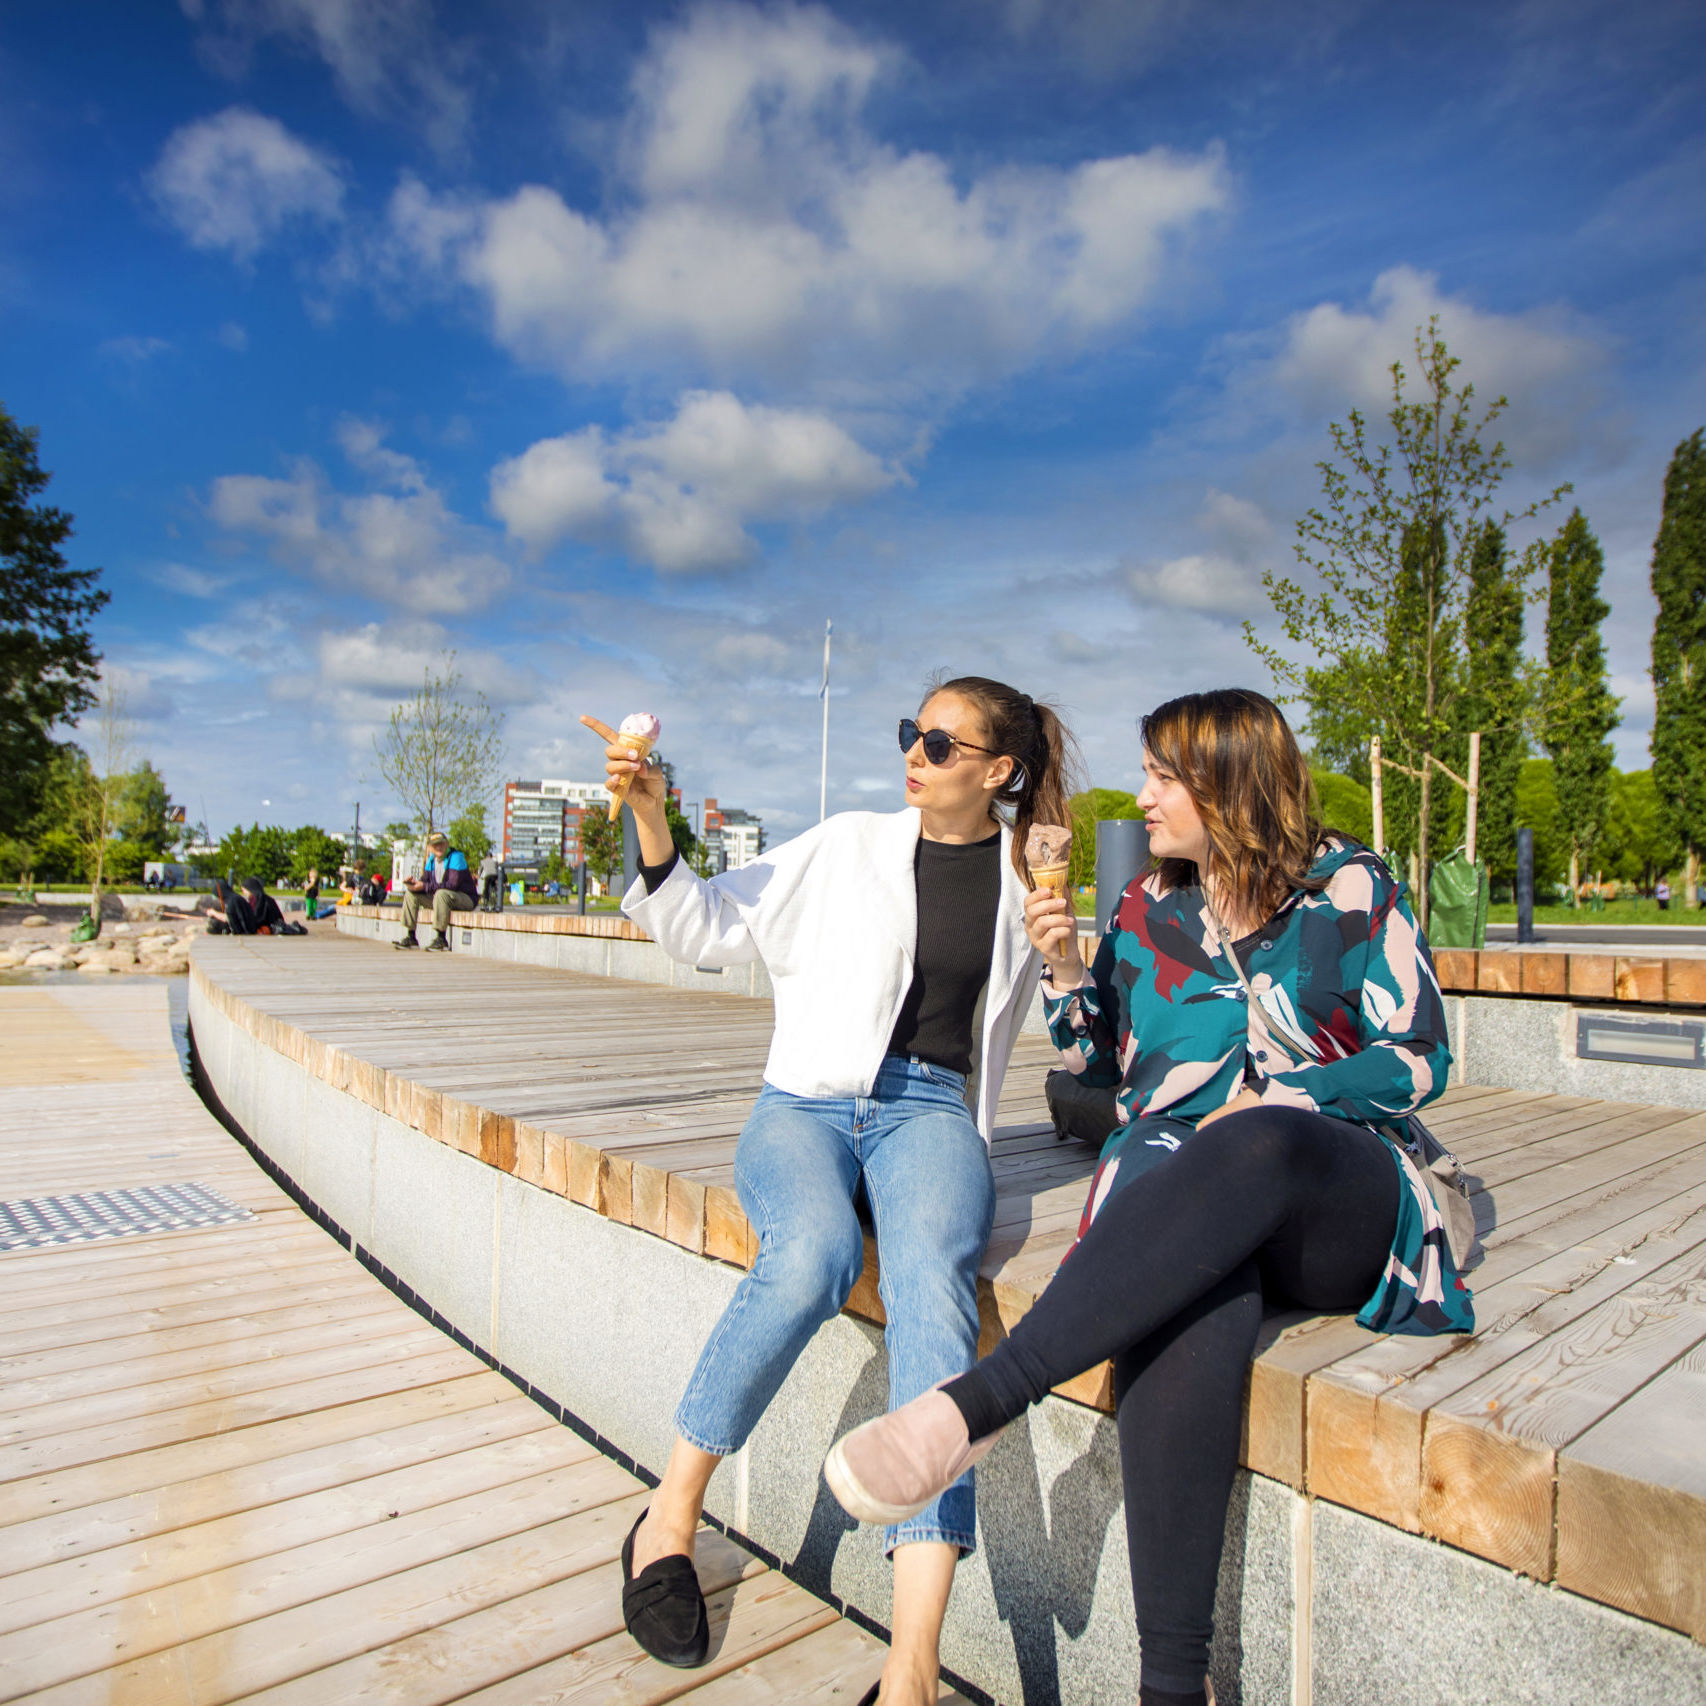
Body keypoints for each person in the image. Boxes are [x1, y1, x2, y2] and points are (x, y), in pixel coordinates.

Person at [821, 688, 1473, 1706]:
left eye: (1164, 775)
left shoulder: (1348, 886)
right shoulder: (1144, 905)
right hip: (1180, 1198)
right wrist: (1062, 963)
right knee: (1187, 1300)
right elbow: (1098, 1059)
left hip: (1330, 1185)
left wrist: (1273, 1097)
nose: (1143, 793)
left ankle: (978, 1400)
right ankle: (1175, 1684)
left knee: (1252, 1141)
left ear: (1229, 781)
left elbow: (1420, 1058)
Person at [581, 677, 1079, 1706]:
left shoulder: (1024, 880)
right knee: (811, 1254)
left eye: (940, 742)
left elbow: (1087, 1021)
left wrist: (1064, 952)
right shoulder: (845, 842)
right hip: (803, 1106)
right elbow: (703, 926)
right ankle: (667, 1520)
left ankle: (911, 1670)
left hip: (930, 1112)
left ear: (997, 770)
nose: (914, 751)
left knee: (936, 1292)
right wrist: (645, 808)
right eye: (911, 731)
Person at [395, 833, 478, 950]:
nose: (438, 847)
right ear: (430, 847)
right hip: (443, 899)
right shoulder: (431, 860)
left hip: (465, 898)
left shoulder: (456, 857)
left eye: (441, 844)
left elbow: (452, 885)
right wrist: (413, 885)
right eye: (435, 845)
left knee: (441, 893)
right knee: (411, 894)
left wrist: (424, 886)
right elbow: (425, 881)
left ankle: (441, 938)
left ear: (447, 844)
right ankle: (411, 936)